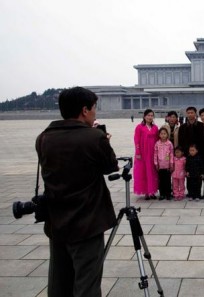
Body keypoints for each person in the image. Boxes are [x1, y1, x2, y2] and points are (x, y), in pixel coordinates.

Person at [35, 87, 118, 296]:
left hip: (57, 222)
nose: (95, 113)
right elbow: (110, 167)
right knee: (87, 284)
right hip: (87, 223)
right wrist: (104, 142)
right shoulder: (94, 138)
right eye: (94, 108)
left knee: (59, 283)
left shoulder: (44, 137)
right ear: (84, 110)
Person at [133, 109, 159, 200]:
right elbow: (136, 140)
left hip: (152, 153)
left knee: (152, 172)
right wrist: (138, 153)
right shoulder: (139, 127)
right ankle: (146, 192)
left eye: (152, 115)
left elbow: (157, 141)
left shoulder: (155, 127)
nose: (150, 117)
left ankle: (152, 191)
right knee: (144, 172)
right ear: (144, 116)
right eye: (148, 115)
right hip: (143, 154)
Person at [154, 127, 174, 200]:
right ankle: (162, 194)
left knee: (168, 180)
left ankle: (168, 193)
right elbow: (155, 154)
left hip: (167, 166)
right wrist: (156, 163)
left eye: (164, 134)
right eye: (161, 134)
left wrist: (171, 164)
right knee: (161, 181)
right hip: (160, 166)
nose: (163, 135)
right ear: (159, 135)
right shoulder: (157, 143)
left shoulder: (169, 143)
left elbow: (171, 154)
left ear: (167, 135)